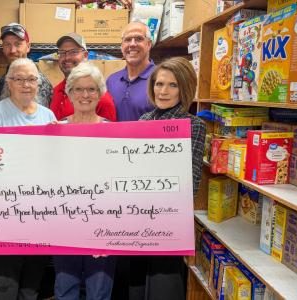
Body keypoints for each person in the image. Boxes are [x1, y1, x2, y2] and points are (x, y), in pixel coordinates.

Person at [0, 58, 56, 299]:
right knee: (5, 286)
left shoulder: (48, 116)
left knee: (31, 286)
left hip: (39, 215)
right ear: (9, 83)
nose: (26, 85)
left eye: (32, 79)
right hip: (4, 215)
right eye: (20, 79)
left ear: (39, 83)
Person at [133, 57, 206, 300]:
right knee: (136, 285)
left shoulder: (192, 125)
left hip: (168, 219)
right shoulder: (143, 121)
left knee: (163, 286)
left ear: (184, 88)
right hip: (136, 215)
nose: (163, 91)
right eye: (159, 84)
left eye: (172, 85)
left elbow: (192, 182)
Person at [53, 62, 116, 300]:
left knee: (99, 293)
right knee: (64, 289)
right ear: (68, 93)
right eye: (78, 89)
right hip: (64, 224)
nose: (85, 95)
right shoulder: (54, 131)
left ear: (100, 93)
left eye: (91, 89)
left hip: (104, 224)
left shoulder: (114, 133)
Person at [50, 33, 116, 122]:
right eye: (62, 53)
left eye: (73, 52)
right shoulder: (54, 92)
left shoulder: (102, 99)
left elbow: (109, 133)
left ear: (85, 55)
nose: (67, 57)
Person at [0, 23, 53, 107]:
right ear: (3, 48)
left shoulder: (40, 82)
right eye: (7, 44)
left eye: (18, 44)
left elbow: (39, 117)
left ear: (28, 47)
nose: (12, 50)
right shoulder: (1, 81)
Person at [106, 22, 155, 121]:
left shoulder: (160, 79)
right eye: (127, 39)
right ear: (121, 46)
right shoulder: (111, 81)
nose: (132, 44)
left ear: (149, 44)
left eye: (139, 39)